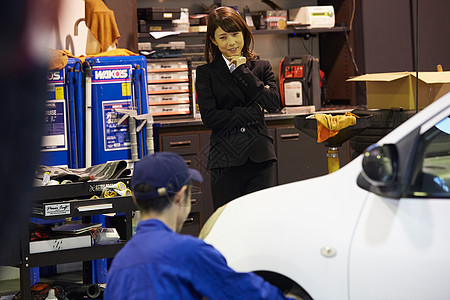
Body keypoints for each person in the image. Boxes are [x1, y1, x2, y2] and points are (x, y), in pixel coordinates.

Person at [104, 152, 291, 299]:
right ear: (180, 195)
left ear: (135, 199)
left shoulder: (119, 264)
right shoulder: (190, 252)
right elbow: (248, 294)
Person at [195, 6, 282, 210]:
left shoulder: (261, 67)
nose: (231, 42)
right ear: (214, 41)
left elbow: (274, 104)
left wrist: (243, 72)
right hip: (224, 160)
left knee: (259, 220)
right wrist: (252, 112)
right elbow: (210, 117)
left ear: (244, 33)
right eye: (223, 37)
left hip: (260, 158)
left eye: (235, 34)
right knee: (227, 221)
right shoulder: (206, 73)